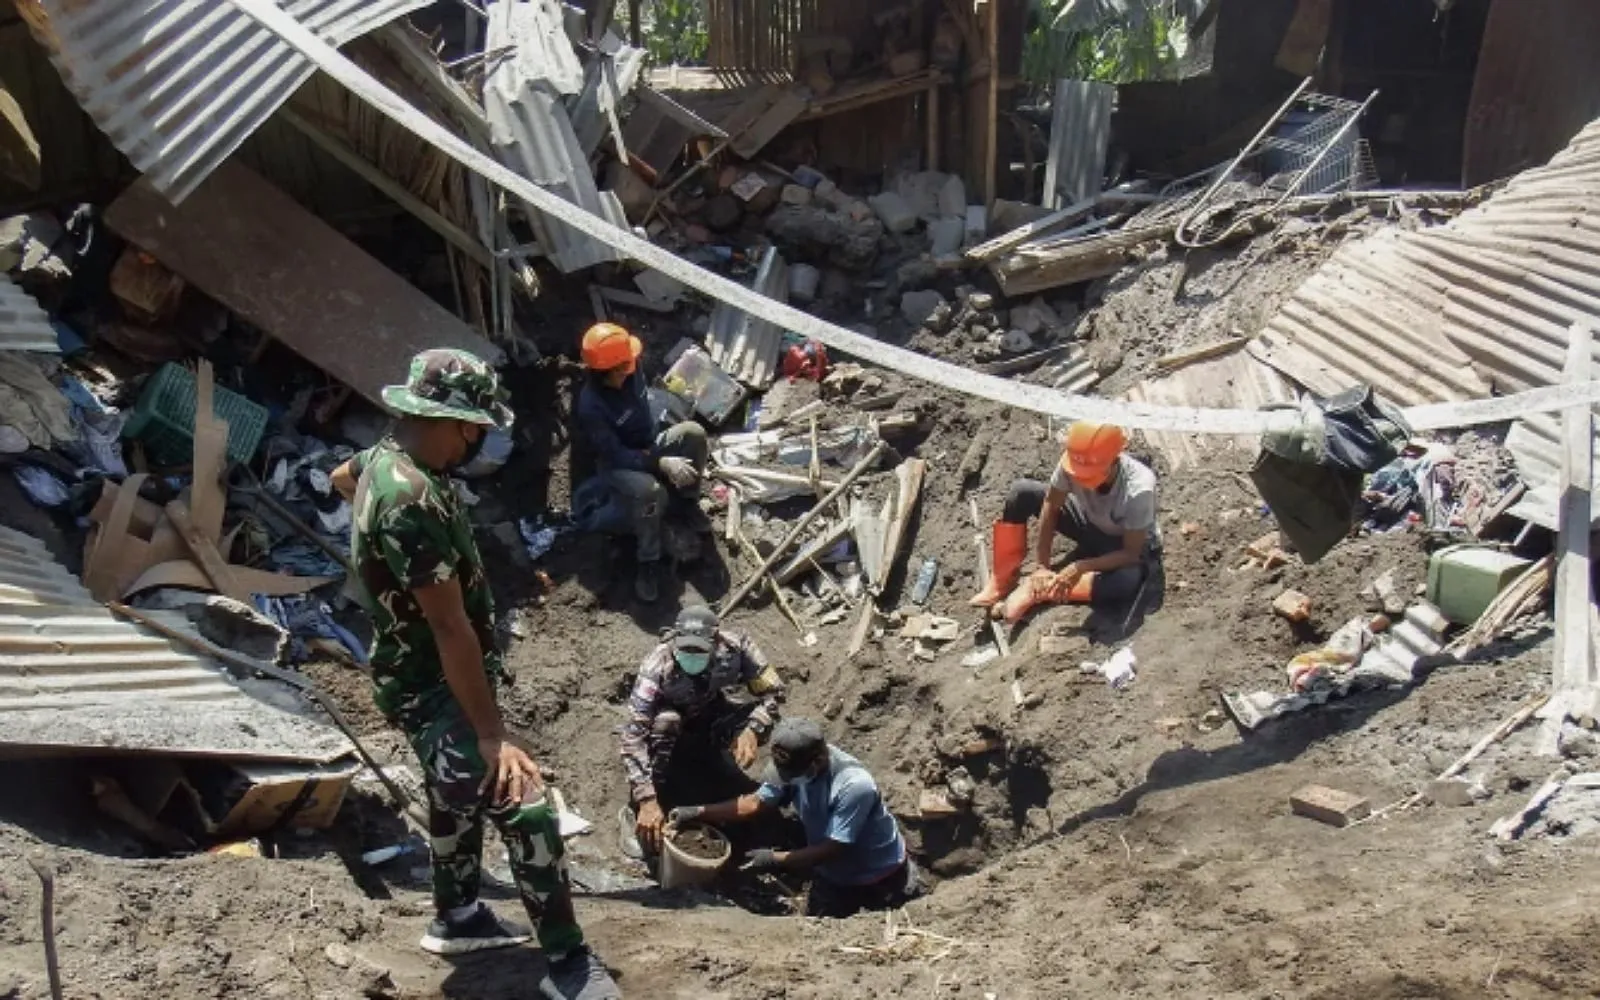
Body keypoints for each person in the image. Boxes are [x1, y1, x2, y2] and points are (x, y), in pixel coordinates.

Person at [331, 349, 618, 1000]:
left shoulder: (378, 462)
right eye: (477, 430)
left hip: (412, 671)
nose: (478, 443)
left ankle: (457, 915)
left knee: (454, 792)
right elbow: (450, 628)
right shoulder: (410, 502)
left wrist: (376, 569)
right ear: (455, 424)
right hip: (432, 682)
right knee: (524, 802)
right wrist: (492, 735)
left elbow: (337, 479)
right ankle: (570, 967)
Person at [669, 718, 919, 919]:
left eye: (792, 774)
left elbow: (835, 847)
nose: (787, 779)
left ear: (818, 760)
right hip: (833, 875)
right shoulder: (795, 768)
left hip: (879, 876)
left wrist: (773, 859)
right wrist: (699, 811)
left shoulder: (853, 785)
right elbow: (755, 803)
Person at [621, 605, 783, 857]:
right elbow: (633, 734)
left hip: (712, 713)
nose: (692, 656)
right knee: (666, 721)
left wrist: (752, 729)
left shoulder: (737, 648)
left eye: (699, 650)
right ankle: (642, 805)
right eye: (686, 649)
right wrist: (645, 799)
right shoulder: (657, 664)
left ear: (716, 639)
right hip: (671, 725)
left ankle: (715, 760)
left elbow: (774, 692)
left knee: (755, 717)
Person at [968, 420, 1161, 621]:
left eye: (1089, 477)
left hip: (1121, 544)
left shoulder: (1139, 489)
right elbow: (1051, 506)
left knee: (1125, 581)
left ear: (1114, 461)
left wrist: (1080, 567)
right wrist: (1041, 565)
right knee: (1022, 492)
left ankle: (1043, 591)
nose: (1080, 480)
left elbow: (1131, 553)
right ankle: (1002, 579)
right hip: (1089, 522)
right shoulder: (1075, 461)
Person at [573, 322, 709, 603]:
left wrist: (658, 452)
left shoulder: (632, 372)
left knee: (694, 434)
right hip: (617, 465)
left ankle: (686, 503)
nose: (633, 365)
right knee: (650, 492)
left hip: (648, 445)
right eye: (626, 364)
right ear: (608, 371)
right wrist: (660, 464)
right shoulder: (591, 406)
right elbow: (614, 454)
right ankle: (648, 560)